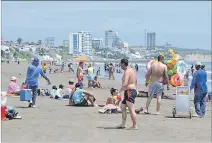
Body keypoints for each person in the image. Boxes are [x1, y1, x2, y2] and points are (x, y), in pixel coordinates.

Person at [117, 59, 137, 130]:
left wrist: (120, 92)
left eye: (120, 64)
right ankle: (123, 124)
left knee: (131, 109)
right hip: (130, 90)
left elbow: (125, 83)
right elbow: (135, 81)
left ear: (123, 64)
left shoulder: (127, 72)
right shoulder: (132, 70)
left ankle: (135, 125)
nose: (120, 66)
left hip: (129, 91)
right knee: (122, 107)